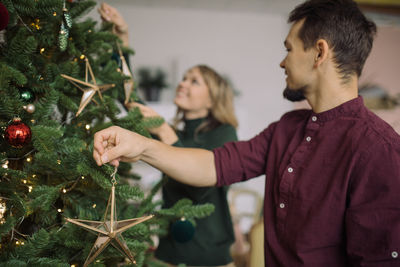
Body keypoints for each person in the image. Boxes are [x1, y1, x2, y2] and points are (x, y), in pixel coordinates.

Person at [93, 0, 400, 266]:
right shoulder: (286, 129)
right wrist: (141, 144)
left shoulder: (379, 149)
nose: (283, 61)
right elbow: (213, 165)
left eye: (289, 49)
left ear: (319, 53)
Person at [98, 4, 239, 266]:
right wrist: (122, 38)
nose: (182, 83)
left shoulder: (224, 133)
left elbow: (202, 188)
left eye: (194, 81)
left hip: (210, 257)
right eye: (183, 78)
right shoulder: (174, 131)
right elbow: (128, 97)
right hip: (168, 253)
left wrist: (163, 130)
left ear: (212, 99)